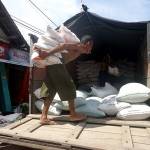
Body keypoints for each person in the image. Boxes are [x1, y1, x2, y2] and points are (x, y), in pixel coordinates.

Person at [33, 35, 93, 125]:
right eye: (91, 46)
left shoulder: (80, 49)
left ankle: (43, 117)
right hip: (57, 65)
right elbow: (63, 45)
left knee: (50, 90)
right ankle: (73, 114)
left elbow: (70, 53)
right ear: (87, 44)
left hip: (51, 66)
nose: (90, 50)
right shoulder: (77, 46)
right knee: (70, 87)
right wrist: (47, 54)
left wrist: (87, 51)